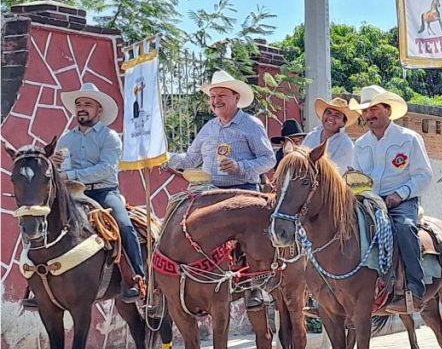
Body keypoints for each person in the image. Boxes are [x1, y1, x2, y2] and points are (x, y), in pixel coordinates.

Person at [24, 83, 147, 307]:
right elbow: (54, 173)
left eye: (88, 104)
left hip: (103, 192)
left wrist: (69, 173)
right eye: (79, 104)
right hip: (69, 195)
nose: (82, 108)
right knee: (38, 222)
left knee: (124, 226)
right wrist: (53, 166)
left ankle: (135, 279)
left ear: (99, 111)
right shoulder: (65, 139)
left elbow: (106, 169)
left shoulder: (110, 137)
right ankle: (34, 286)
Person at [167, 70, 276, 308]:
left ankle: (255, 287)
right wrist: (163, 157)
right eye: (213, 96)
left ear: (236, 98)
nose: (216, 100)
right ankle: (171, 277)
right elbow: (188, 160)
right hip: (209, 191)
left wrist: (240, 166)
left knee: (250, 234)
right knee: (177, 211)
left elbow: (268, 160)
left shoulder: (251, 125)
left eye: (222, 95)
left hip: (243, 190)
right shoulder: (208, 128)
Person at [349, 85, 433, 313]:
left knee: (405, 228)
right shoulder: (360, 144)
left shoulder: (409, 138)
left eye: (373, 109)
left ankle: (415, 287)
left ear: (387, 110)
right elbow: (356, 177)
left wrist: (400, 194)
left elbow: (424, 175)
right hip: (369, 201)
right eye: (365, 111)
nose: (368, 115)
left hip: (402, 200)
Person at [303, 97, 358, 171]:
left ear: (343, 123)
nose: (331, 118)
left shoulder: (346, 144)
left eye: (337, 116)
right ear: (323, 116)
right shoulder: (311, 136)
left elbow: (337, 172)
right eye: (328, 113)